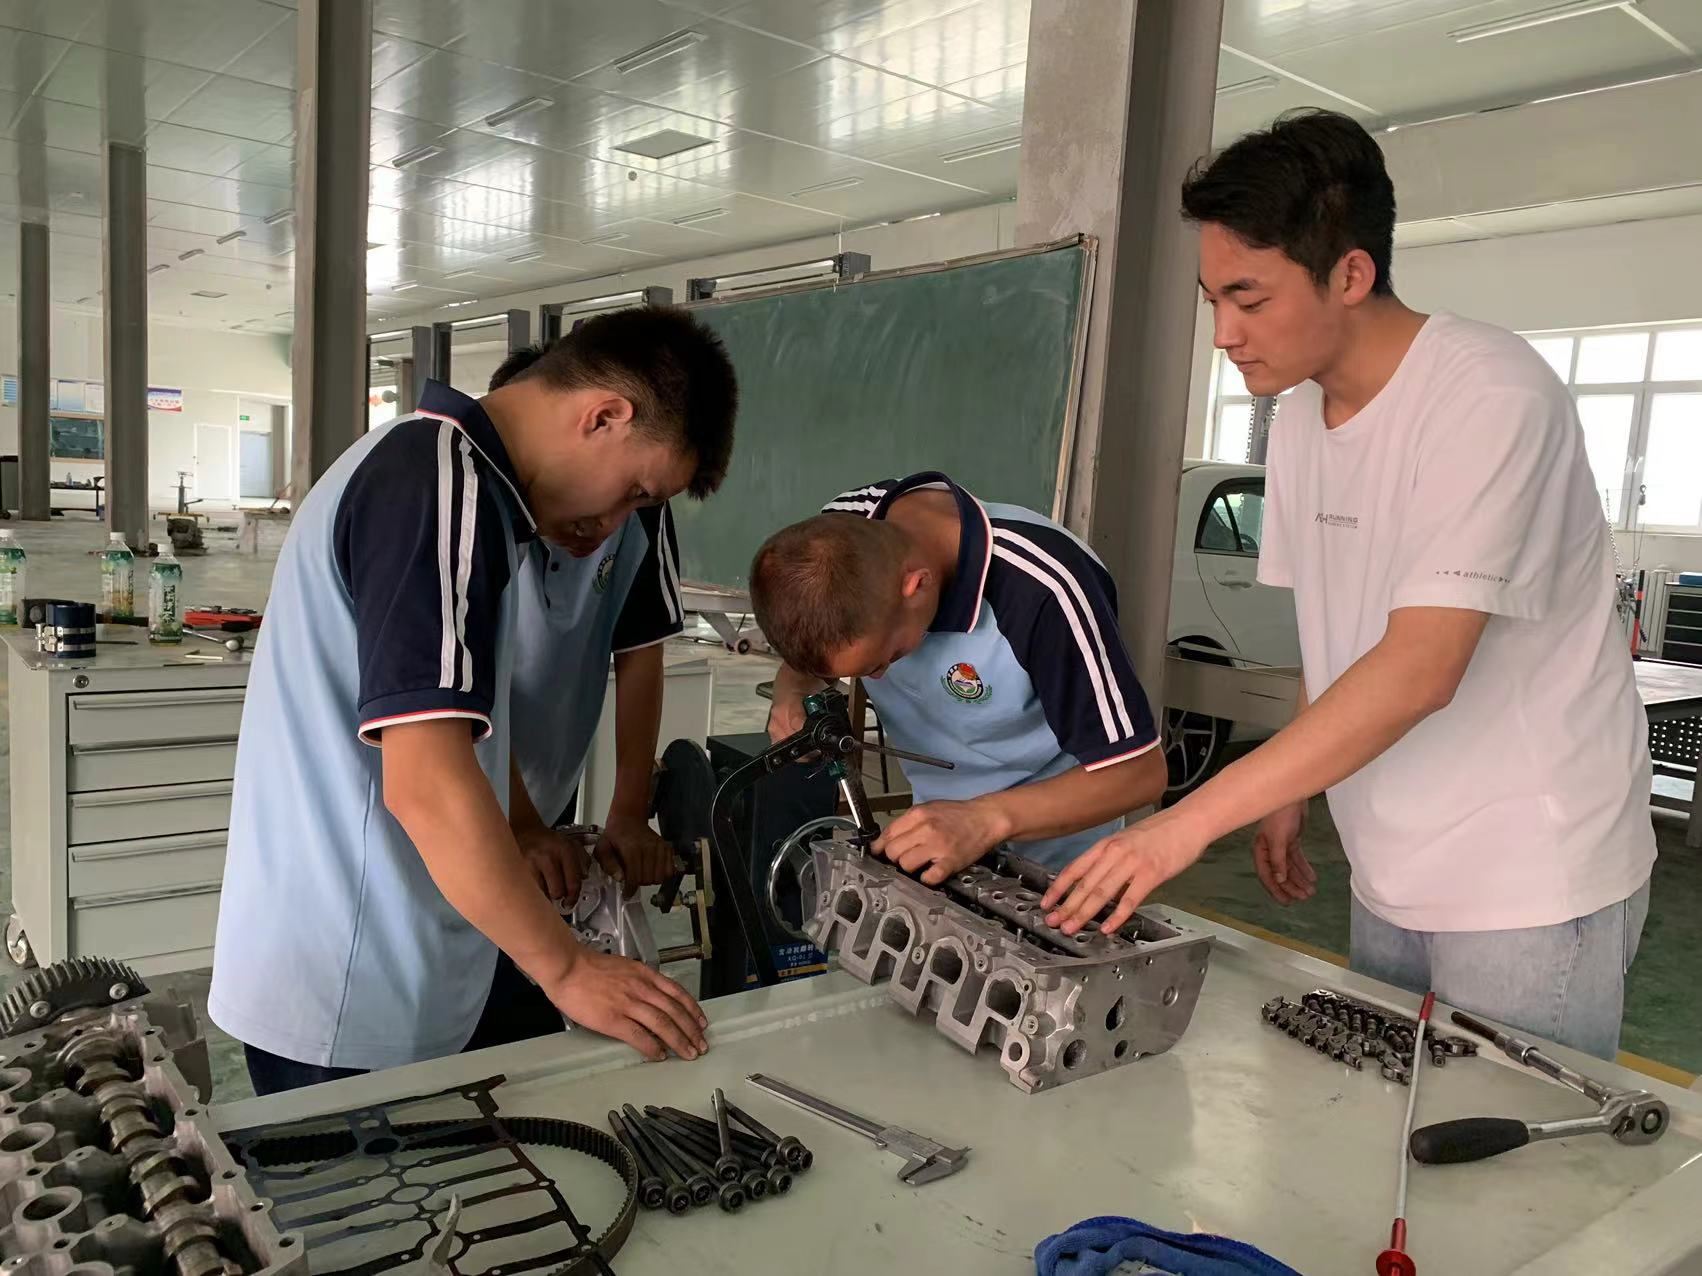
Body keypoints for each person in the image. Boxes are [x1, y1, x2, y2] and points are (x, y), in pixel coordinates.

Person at [1042, 109, 1655, 1059]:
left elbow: (1419, 668)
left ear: (1352, 275)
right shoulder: (1298, 422)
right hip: (1390, 862)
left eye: (1249, 299)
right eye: (1213, 301)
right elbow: (1334, 633)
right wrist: (1291, 789)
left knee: (1504, 1145)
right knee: (1383, 1114)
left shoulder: (1488, 395)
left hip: (1527, 873)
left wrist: (1182, 826)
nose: (1224, 334)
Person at [209, 308, 738, 1095]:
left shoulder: (452, 480)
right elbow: (425, 783)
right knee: (365, 1177)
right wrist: (566, 969)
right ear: (604, 416)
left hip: (391, 945)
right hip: (355, 975)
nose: (617, 524)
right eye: (633, 491)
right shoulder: (438, 483)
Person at [752, 471, 1164, 882]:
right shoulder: (842, 535)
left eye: (884, 660)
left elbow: (1139, 773)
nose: (876, 678)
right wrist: (794, 686)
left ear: (917, 587)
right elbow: (821, 640)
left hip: (1058, 849)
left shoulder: (1045, 590)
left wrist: (983, 819)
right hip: (939, 830)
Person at [475, 341, 689, 1044]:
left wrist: (629, 811)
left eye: (637, 496)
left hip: (545, 787)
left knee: (534, 975)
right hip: (468, 787)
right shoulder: (476, 509)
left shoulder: (639, 511)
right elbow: (469, 693)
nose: (606, 521)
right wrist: (517, 823)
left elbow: (641, 655)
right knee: (476, 960)